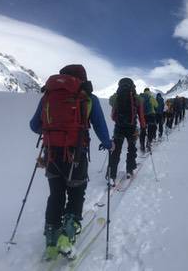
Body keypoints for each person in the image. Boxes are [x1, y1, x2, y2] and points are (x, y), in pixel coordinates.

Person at [30, 65, 113, 260]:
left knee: (56, 195)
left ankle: (51, 242)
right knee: (76, 194)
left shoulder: (48, 95)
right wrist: (109, 144)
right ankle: (66, 239)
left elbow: (34, 126)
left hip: (51, 155)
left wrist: (53, 130)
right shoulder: (88, 98)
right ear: (82, 79)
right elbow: (100, 127)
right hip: (76, 156)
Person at [108, 78, 146, 183]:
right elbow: (141, 115)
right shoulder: (137, 98)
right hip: (132, 127)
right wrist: (143, 126)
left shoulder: (115, 97)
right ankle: (130, 170)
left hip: (119, 127)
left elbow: (112, 114)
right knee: (132, 149)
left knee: (116, 150)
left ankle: (112, 175)